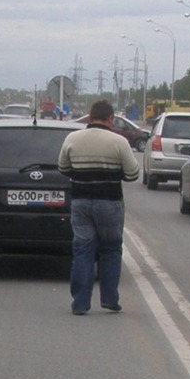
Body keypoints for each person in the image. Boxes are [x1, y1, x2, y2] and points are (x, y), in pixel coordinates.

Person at [57, 98, 141, 314]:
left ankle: (80, 303)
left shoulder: (73, 138)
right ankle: (109, 299)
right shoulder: (118, 141)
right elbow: (133, 174)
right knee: (111, 249)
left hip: (81, 202)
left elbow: (63, 168)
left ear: (90, 117)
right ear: (110, 119)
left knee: (83, 249)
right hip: (110, 203)